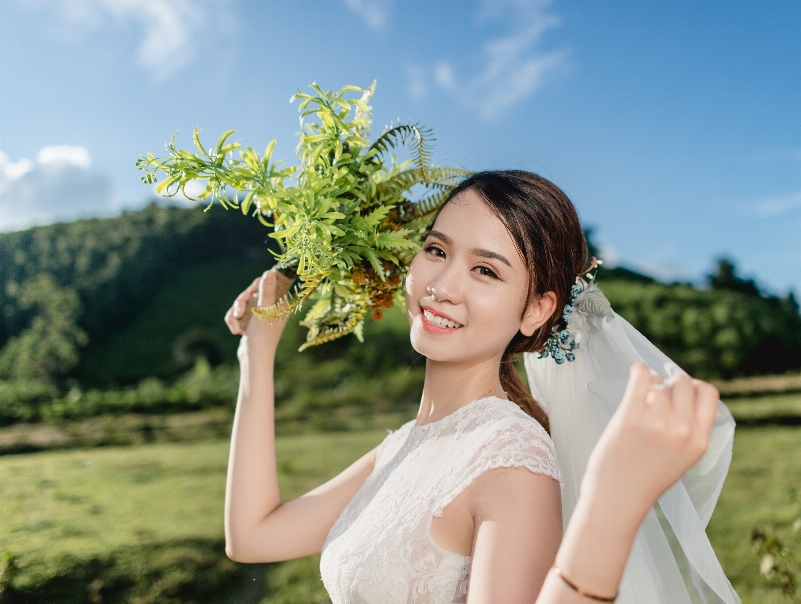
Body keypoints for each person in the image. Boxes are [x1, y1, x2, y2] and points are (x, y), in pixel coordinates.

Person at [223, 171, 738, 604]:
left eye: (485, 270)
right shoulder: (403, 445)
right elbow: (252, 535)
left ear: (537, 309)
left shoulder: (511, 462)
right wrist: (257, 354)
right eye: (435, 249)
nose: (442, 286)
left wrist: (610, 508)